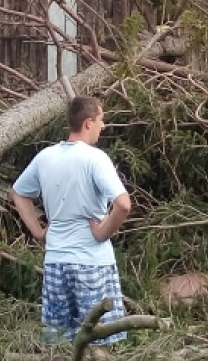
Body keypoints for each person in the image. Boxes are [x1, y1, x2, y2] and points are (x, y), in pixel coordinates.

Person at [10, 96, 132, 345]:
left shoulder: (46, 157)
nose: (103, 125)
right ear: (88, 123)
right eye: (101, 120)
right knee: (99, 340)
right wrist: (102, 232)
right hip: (92, 264)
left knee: (58, 343)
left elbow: (19, 192)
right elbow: (123, 204)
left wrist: (38, 231)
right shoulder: (95, 159)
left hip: (56, 263)